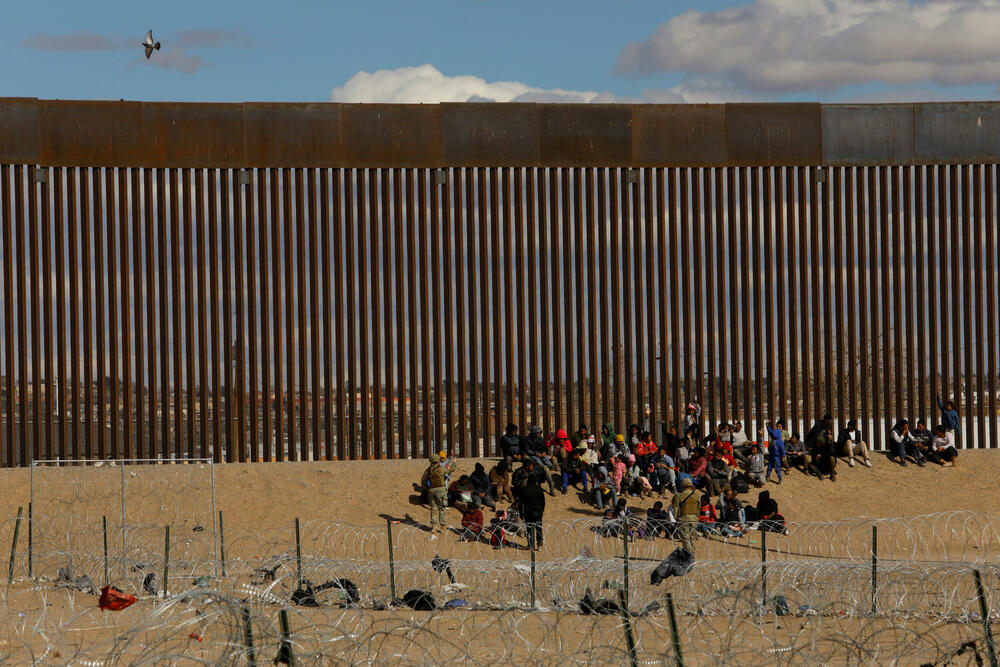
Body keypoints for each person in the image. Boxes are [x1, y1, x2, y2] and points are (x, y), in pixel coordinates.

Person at [671, 477, 701, 555]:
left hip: (684, 518)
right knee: (692, 537)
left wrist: (676, 517)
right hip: (694, 519)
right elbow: (698, 508)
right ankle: (691, 552)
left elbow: (676, 508)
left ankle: (690, 554)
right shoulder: (696, 496)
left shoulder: (680, 496)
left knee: (685, 538)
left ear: (683, 485)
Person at [519, 476, 546, 550]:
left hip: (528, 512)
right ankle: (539, 545)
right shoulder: (539, 490)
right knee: (538, 528)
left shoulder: (524, 490)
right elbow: (543, 502)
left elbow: (521, 503)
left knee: (529, 529)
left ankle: (530, 544)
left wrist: (521, 513)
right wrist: (541, 511)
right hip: (538, 511)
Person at [424, 453, 448, 532]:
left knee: (433, 508)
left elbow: (423, 480)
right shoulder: (441, 469)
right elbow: (450, 469)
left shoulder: (428, 470)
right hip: (441, 490)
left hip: (431, 490)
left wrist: (426, 489)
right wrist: (454, 463)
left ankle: (434, 526)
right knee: (442, 508)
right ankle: (443, 526)